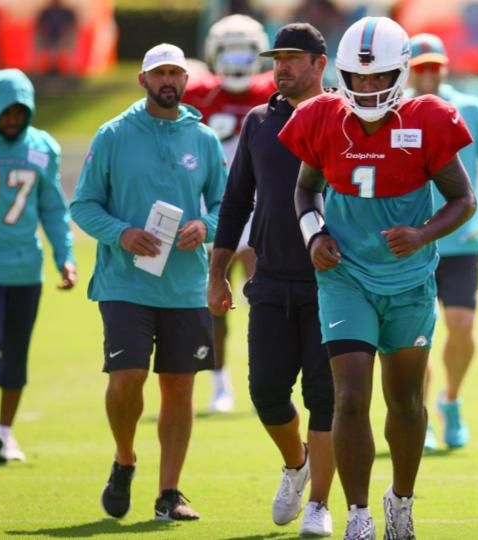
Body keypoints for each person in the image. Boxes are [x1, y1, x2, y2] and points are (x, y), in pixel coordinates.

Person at [280, 16, 476, 540]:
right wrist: (314, 236)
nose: (366, 87)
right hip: (346, 276)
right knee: (349, 395)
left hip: (409, 279)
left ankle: (401, 502)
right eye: (358, 77)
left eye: (378, 77)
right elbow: (305, 192)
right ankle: (360, 514)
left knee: (407, 400)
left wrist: (423, 233)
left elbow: (464, 199)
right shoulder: (323, 116)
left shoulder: (428, 118)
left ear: (401, 73)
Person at [70, 43, 226, 521]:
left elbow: (227, 208)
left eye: (176, 73)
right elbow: (83, 205)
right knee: (127, 377)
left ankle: (169, 492)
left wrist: (206, 227)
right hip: (124, 282)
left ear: (186, 81)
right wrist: (123, 234)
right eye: (159, 73)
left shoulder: (204, 139)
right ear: (142, 80)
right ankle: (124, 458)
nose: (168, 81)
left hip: (184, 287)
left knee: (179, 387)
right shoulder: (114, 133)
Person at [207, 22, 336, 536]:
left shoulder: (345, 117)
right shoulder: (259, 122)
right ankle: (296, 463)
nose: (279, 67)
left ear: (319, 64)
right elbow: (237, 199)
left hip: (333, 284)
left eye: (291, 58)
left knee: (325, 399)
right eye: (275, 58)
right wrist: (217, 272)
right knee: (264, 391)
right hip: (270, 278)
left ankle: (321, 504)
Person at [405, 32, 478, 451]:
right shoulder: (395, 112)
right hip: (414, 243)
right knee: (416, 337)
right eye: (420, 67)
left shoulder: (469, 108)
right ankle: (421, 417)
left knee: (461, 325)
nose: (428, 73)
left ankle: (450, 400)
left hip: (463, 240)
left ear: (445, 67)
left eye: (434, 65)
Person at [0, 68, 77, 464]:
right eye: (6, 112)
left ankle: (5, 432)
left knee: (16, 353)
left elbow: (53, 208)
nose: (12, 120)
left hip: (25, 267)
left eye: (19, 113)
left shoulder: (42, 147)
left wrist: (65, 257)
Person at [184, 13, 274, 414]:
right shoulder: (198, 93)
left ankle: (267, 379)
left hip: (262, 212)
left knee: (266, 303)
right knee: (213, 303)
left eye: (245, 53)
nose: (237, 63)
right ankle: (221, 384)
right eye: (230, 53)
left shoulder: (274, 91)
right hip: (214, 209)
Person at [34, 0, 77, 75]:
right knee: (38, 39)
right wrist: (45, 33)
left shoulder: (67, 12)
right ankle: (40, 69)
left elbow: (72, 25)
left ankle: (68, 71)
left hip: (63, 37)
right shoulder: (45, 12)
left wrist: (65, 33)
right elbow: (39, 25)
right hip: (47, 37)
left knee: (69, 39)